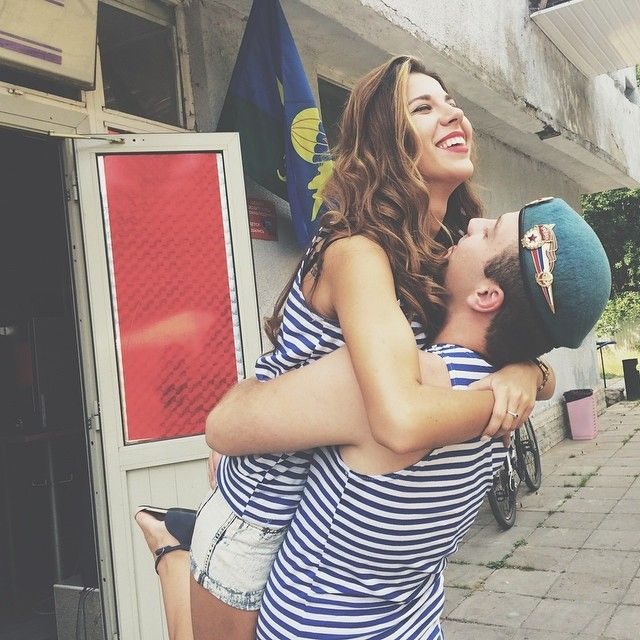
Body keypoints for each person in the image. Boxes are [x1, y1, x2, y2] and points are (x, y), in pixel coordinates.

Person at [136, 55, 561, 640]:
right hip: (263, 507)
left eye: (451, 102)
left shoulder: (443, 252)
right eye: (423, 107)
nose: (452, 114)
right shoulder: (358, 252)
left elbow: (500, 335)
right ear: (387, 140)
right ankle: (172, 550)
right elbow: (399, 418)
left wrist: (527, 372)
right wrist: (501, 399)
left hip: (327, 505)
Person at [137, 197, 611, 640]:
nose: (472, 224)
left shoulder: (404, 381)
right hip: (411, 619)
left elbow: (223, 426)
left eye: (489, 233)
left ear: (487, 295)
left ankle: (170, 552)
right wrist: (532, 369)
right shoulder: (508, 393)